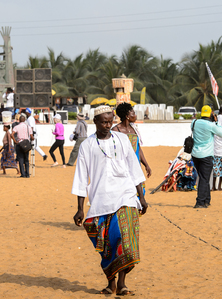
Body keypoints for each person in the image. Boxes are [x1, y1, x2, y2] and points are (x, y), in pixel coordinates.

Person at [72, 105, 148, 296]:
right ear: (95, 122)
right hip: (100, 200)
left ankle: (122, 283)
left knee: (125, 241)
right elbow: (81, 178)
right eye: (104, 122)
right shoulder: (87, 145)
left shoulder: (122, 140)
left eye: (110, 121)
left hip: (126, 196)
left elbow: (133, 168)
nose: (107, 125)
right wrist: (80, 209)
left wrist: (142, 197)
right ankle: (111, 283)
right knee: (107, 245)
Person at [191, 105, 222, 208]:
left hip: (195, 154)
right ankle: (200, 202)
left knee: (203, 176)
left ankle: (207, 200)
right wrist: (216, 122)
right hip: (206, 155)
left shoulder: (194, 122)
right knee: (204, 179)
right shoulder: (211, 125)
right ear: (210, 114)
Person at [111, 103, 152, 179]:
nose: (135, 115)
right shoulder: (115, 131)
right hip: (122, 167)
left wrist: (146, 165)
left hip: (136, 164)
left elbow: (138, 149)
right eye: (133, 113)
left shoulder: (134, 129)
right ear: (127, 116)